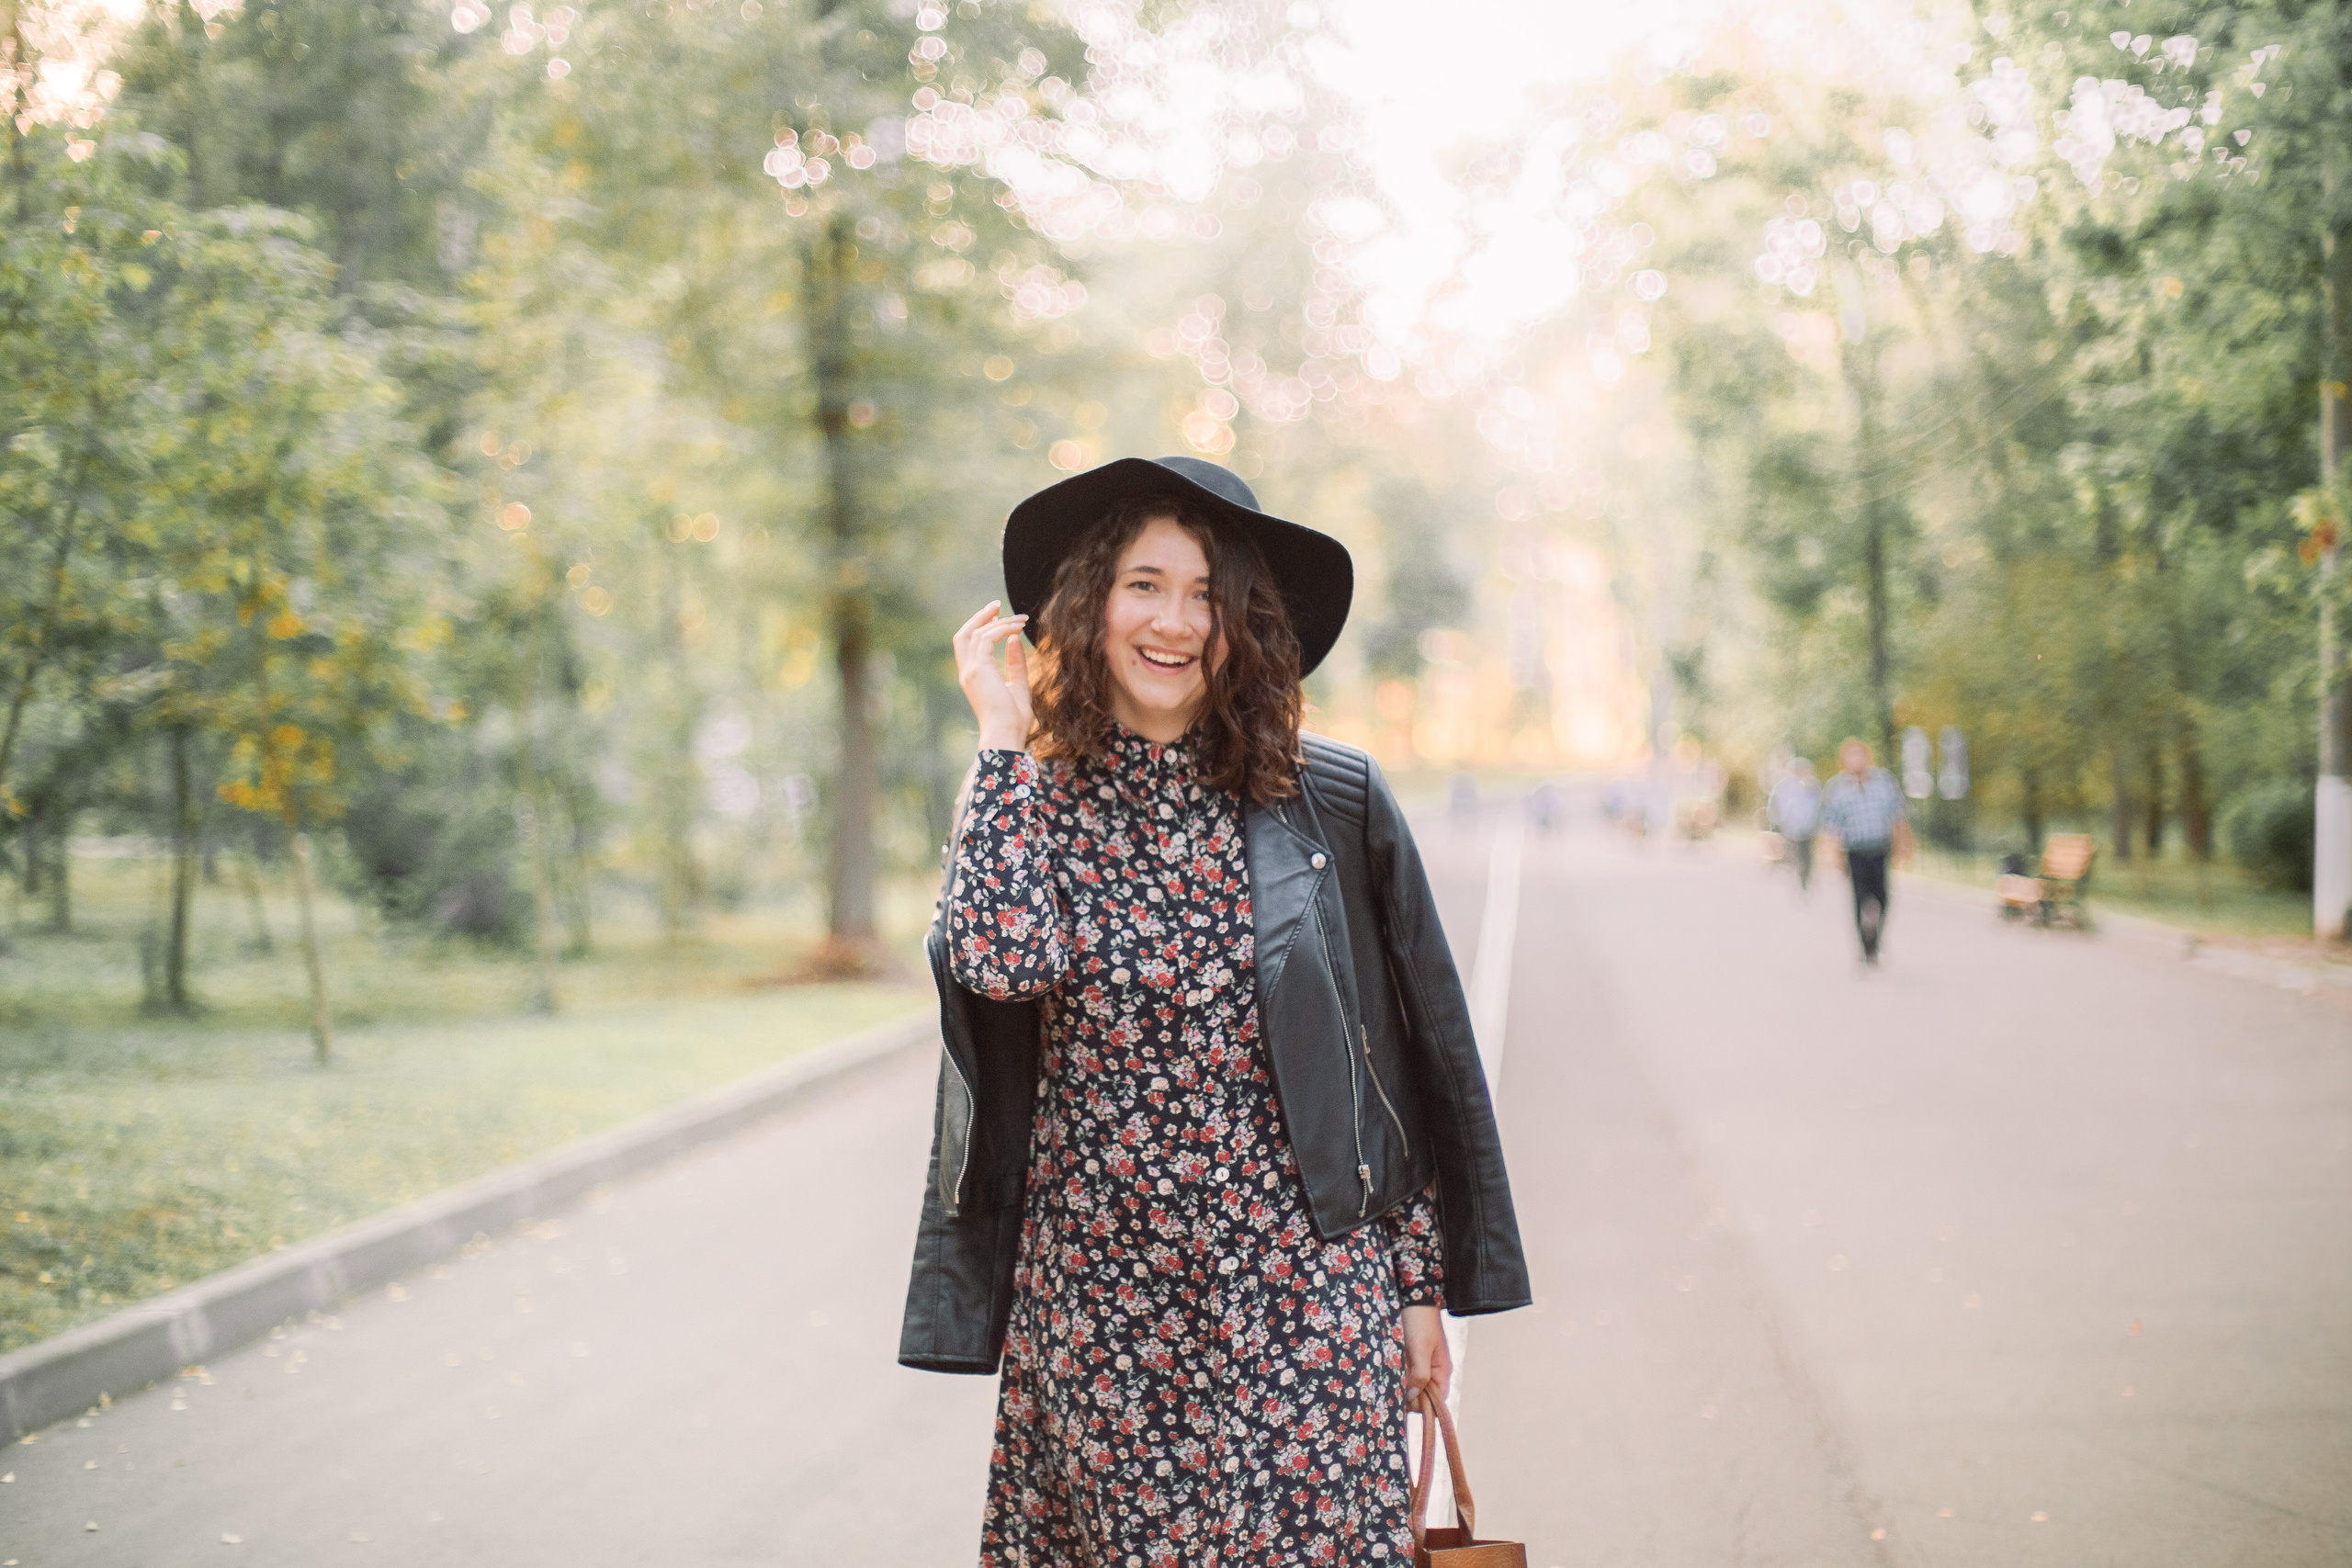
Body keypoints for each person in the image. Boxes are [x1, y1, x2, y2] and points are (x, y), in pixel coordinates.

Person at [899, 455, 1531, 1565]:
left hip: (1302, 1295)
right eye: (1143, 585)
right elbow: (999, 966)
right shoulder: (1019, 797)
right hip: (1102, 1313)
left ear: (1244, 625)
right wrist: (1001, 738)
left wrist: (1418, 1290)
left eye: (1206, 595)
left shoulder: (1325, 799)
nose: (1175, 622)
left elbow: (1401, 1057)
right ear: (1086, 605)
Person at [1819, 738, 1913, 964]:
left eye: (1859, 755)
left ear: (1867, 757)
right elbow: (1830, 826)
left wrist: (1903, 846)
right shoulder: (1837, 788)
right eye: (1851, 756)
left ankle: (1876, 938)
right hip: (1855, 851)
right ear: (1844, 761)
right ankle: (1864, 948)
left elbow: (1898, 816)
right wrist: (1833, 857)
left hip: (1880, 849)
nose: (1856, 760)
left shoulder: (1884, 782)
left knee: (1882, 898)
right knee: (1859, 899)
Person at [1768, 756, 1822, 891]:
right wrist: (1778, 822)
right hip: (1790, 829)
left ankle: (1804, 878)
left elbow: (1819, 807)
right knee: (1793, 853)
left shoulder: (1813, 786)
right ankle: (1795, 876)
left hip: (1808, 829)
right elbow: (1775, 805)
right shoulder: (1784, 787)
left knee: (1806, 856)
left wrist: (1817, 824)